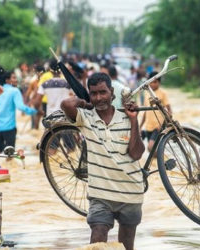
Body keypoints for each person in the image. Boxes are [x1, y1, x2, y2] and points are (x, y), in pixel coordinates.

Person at [61, 72, 145, 250]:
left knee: (126, 245)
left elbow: (137, 153)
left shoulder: (127, 117)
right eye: (94, 93)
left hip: (130, 192)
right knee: (97, 241)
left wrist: (133, 121)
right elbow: (67, 104)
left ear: (112, 93)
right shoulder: (86, 118)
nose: (99, 98)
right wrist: (85, 103)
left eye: (103, 92)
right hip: (100, 195)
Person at [0, 70, 37, 153]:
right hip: (9, 128)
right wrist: (34, 111)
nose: (16, 80)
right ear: (7, 80)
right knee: (10, 155)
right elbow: (20, 106)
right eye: (14, 78)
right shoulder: (15, 91)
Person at [140, 71, 172, 151]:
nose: (153, 84)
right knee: (151, 150)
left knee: (150, 147)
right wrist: (140, 126)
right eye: (151, 82)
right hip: (148, 127)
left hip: (158, 127)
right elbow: (145, 112)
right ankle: (161, 160)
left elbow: (169, 111)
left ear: (159, 82)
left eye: (155, 82)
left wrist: (163, 124)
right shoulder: (147, 94)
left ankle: (162, 160)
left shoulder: (163, 93)